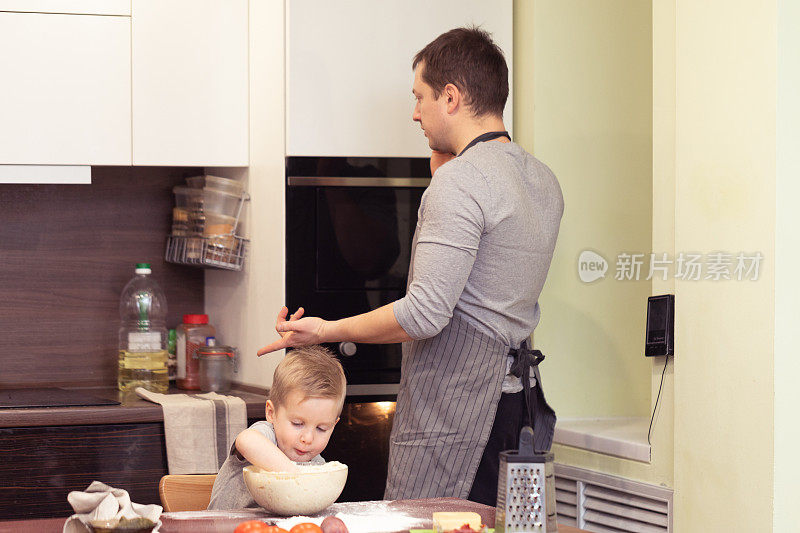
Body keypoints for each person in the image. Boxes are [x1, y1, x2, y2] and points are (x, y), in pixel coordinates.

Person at [258, 26, 564, 506]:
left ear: (451, 96)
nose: (414, 113)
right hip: (517, 405)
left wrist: (325, 330)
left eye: (420, 97)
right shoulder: (542, 180)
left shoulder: (461, 182)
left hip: (457, 413)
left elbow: (424, 314)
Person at [207, 345, 346, 509]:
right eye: (297, 423)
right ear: (271, 413)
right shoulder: (266, 435)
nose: (308, 438)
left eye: (321, 428)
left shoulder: (317, 464)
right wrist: (294, 475)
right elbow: (246, 440)